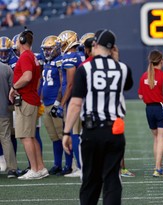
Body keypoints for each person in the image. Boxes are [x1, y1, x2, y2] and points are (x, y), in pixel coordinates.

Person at [62, 29, 133, 205]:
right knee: (112, 180)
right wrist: (115, 59)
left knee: (91, 181)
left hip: (92, 130)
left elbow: (76, 103)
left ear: (94, 45)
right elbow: (128, 85)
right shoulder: (122, 68)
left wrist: (66, 132)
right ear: (113, 48)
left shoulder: (85, 69)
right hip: (115, 131)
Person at [8, 28, 48, 180]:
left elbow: (27, 76)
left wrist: (14, 87)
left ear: (22, 41)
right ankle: (40, 167)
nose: (16, 43)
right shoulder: (33, 56)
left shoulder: (25, 57)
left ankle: (35, 169)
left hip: (26, 100)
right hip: (31, 98)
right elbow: (37, 80)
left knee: (25, 136)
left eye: (18, 40)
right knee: (31, 136)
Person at [53, 30, 83, 177]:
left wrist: (61, 103)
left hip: (73, 100)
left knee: (74, 133)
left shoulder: (70, 57)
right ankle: (77, 165)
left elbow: (70, 84)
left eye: (62, 43)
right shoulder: (73, 56)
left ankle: (80, 166)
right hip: (73, 99)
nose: (60, 46)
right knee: (74, 133)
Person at [138, 50, 163, 176]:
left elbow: (140, 95)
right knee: (161, 140)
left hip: (149, 109)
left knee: (156, 139)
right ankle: (158, 168)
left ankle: (158, 165)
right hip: (161, 109)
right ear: (161, 60)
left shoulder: (144, 76)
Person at [40, 35, 65, 175]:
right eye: (45, 49)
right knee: (54, 137)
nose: (47, 52)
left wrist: (58, 102)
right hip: (46, 103)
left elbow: (62, 83)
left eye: (49, 49)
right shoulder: (47, 62)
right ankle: (57, 164)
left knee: (62, 135)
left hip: (56, 103)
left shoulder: (60, 61)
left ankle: (69, 164)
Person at [0, 61, 18, 178]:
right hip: (3, 110)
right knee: (6, 139)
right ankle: (12, 168)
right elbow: (14, 89)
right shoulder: (6, 69)